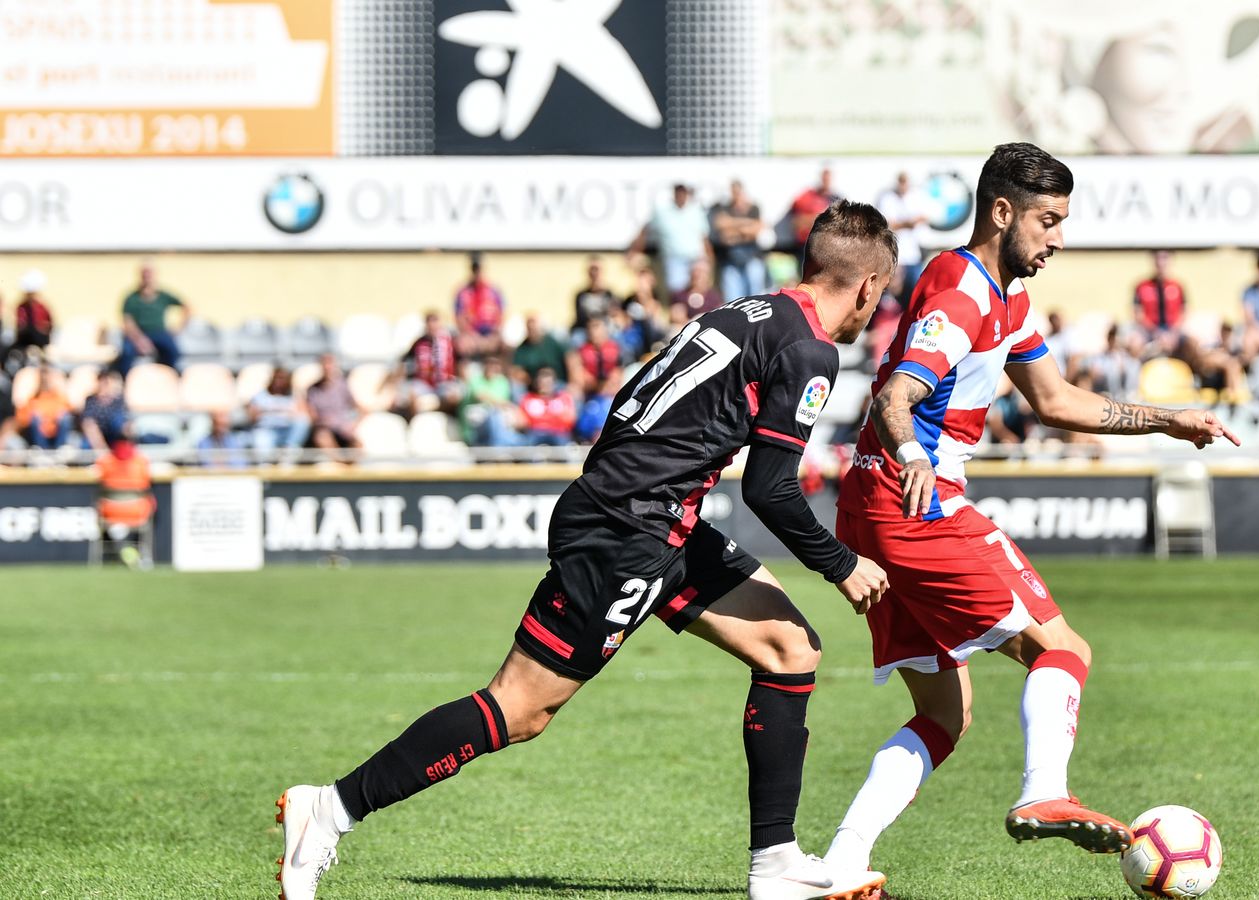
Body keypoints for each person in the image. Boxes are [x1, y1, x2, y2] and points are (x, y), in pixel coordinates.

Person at [276, 201, 901, 900]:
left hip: (652, 519)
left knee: (790, 649)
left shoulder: (743, 312)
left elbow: (635, 398)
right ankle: (327, 810)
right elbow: (771, 488)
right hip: (628, 530)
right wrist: (841, 563)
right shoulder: (809, 348)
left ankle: (777, 865)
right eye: (882, 299)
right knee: (520, 708)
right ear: (869, 286)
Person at [823, 144, 1237, 891]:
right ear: (1002, 212)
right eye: (1048, 221)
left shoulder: (1004, 299)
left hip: (874, 503)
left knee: (945, 716)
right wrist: (915, 457)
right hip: (914, 499)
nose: (1058, 238)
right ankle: (1043, 791)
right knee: (1064, 648)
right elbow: (894, 397)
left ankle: (842, 863)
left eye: (1063, 222)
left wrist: (1167, 421)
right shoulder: (963, 288)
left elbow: (1056, 401)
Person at [633, 183, 712, 292]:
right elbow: (646, 230)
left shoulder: (695, 211)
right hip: (674, 259)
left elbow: (704, 237)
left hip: (695, 258)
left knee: (700, 290)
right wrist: (635, 250)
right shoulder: (662, 212)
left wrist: (709, 257)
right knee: (677, 291)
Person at [117, 261, 187, 375]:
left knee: (173, 351)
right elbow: (127, 322)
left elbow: (187, 306)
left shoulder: (163, 295)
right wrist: (139, 340)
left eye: (150, 273)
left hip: (159, 332)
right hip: (138, 334)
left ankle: (168, 377)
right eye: (145, 273)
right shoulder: (131, 298)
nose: (147, 277)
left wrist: (179, 327)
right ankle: (125, 381)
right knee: (126, 353)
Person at [96, 438, 155, 568]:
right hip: (137, 511)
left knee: (99, 505)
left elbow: (98, 478)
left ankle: (121, 540)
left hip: (110, 511)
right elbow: (147, 484)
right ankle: (136, 552)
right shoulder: (141, 461)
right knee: (150, 502)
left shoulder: (105, 461)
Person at [711, 180, 769, 300]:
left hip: (752, 257)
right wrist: (746, 225)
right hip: (730, 259)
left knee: (755, 297)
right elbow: (723, 231)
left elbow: (755, 231)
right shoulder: (724, 208)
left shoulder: (753, 208)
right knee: (732, 298)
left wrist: (732, 226)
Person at [397, 311, 461, 416]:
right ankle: (414, 422)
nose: (432, 326)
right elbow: (405, 360)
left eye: (435, 322)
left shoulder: (450, 341)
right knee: (411, 395)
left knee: (453, 397)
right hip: (424, 384)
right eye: (429, 323)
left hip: (445, 383)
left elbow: (459, 361)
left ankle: (438, 410)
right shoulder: (419, 342)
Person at [877, 173, 928, 291]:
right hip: (895, 253)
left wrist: (903, 224)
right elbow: (887, 224)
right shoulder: (888, 198)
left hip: (912, 253)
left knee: (914, 289)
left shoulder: (915, 197)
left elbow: (925, 217)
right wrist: (908, 224)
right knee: (893, 290)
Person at [306, 355, 362, 458]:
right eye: (325, 364)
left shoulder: (342, 386)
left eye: (330, 364)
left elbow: (360, 408)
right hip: (324, 427)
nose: (328, 367)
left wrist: (352, 424)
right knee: (322, 438)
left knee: (358, 444)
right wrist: (322, 421)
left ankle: (352, 467)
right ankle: (340, 464)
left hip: (343, 427)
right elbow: (311, 413)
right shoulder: (312, 389)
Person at [250, 367, 311, 461]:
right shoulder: (261, 395)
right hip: (267, 430)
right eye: (277, 378)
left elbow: (304, 414)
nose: (279, 381)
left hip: (287, 431)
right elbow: (253, 416)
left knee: (303, 421)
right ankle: (265, 467)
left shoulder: (294, 396)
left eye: (283, 378)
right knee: (261, 443)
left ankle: (289, 453)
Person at [454, 253, 506, 360]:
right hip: (471, 336)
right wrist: (472, 336)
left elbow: (502, 314)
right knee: (461, 345)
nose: (477, 273)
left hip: (491, 335)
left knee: (505, 346)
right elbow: (459, 318)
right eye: (474, 270)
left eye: (479, 269)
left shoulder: (494, 291)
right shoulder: (463, 292)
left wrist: (493, 335)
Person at [460, 356, 519, 447]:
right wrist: (500, 403)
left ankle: (502, 445)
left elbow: (502, 402)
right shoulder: (475, 379)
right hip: (477, 412)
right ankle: (496, 447)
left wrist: (500, 403)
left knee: (501, 416)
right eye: (490, 364)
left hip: (497, 411)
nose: (492, 367)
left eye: (495, 364)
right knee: (493, 416)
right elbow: (480, 396)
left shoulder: (502, 381)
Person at [517, 366, 578, 446]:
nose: (545, 385)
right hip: (535, 433)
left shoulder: (563, 398)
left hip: (558, 433)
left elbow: (570, 419)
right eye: (542, 382)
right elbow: (522, 421)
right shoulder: (528, 399)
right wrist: (553, 418)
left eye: (548, 382)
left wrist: (543, 419)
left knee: (564, 441)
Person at [17, 368, 74, 450]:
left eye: (48, 378)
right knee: (34, 418)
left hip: (56, 433)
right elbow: (22, 419)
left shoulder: (59, 398)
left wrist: (58, 416)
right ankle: (41, 449)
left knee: (65, 417)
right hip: (38, 435)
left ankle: (60, 449)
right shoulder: (33, 399)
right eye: (43, 379)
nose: (45, 381)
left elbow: (70, 411)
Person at [788, 167, 842, 250]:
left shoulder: (837, 199)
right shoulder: (806, 196)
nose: (826, 181)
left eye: (828, 178)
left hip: (827, 247)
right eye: (824, 178)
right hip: (806, 245)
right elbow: (796, 222)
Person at [511, 315, 569, 388]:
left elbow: (570, 357)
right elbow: (516, 370)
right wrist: (531, 381)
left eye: (534, 328)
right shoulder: (523, 348)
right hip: (534, 385)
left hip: (556, 383)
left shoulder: (552, 343)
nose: (533, 331)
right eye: (530, 329)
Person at [79, 369, 131, 452]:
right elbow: (89, 423)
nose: (104, 384)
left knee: (119, 421)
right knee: (86, 445)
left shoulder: (118, 400)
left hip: (114, 433)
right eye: (102, 381)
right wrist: (101, 448)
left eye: (106, 381)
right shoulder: (91, 400)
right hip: (96, 435)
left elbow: (124, 423)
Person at [12, 269, 55, 364]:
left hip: (40, 339)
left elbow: (48, 324)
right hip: (25, 340)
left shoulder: (41, 307)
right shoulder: (22, 307)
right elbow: (20, 325)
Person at [671, 258, 725, 322]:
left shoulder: (714, 298)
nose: (697, 275)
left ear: (708, 275)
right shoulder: (680, 296)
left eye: (701, 272)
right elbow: (674, 316)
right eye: (695, 271)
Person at [572, 255, 618, 332]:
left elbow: (614, 316)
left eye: (597, 269)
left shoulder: (610, 295)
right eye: (592, 269)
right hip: (586, 331)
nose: (594, 273)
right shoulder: (581, 296)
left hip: (606, 331)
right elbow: (580, 319)